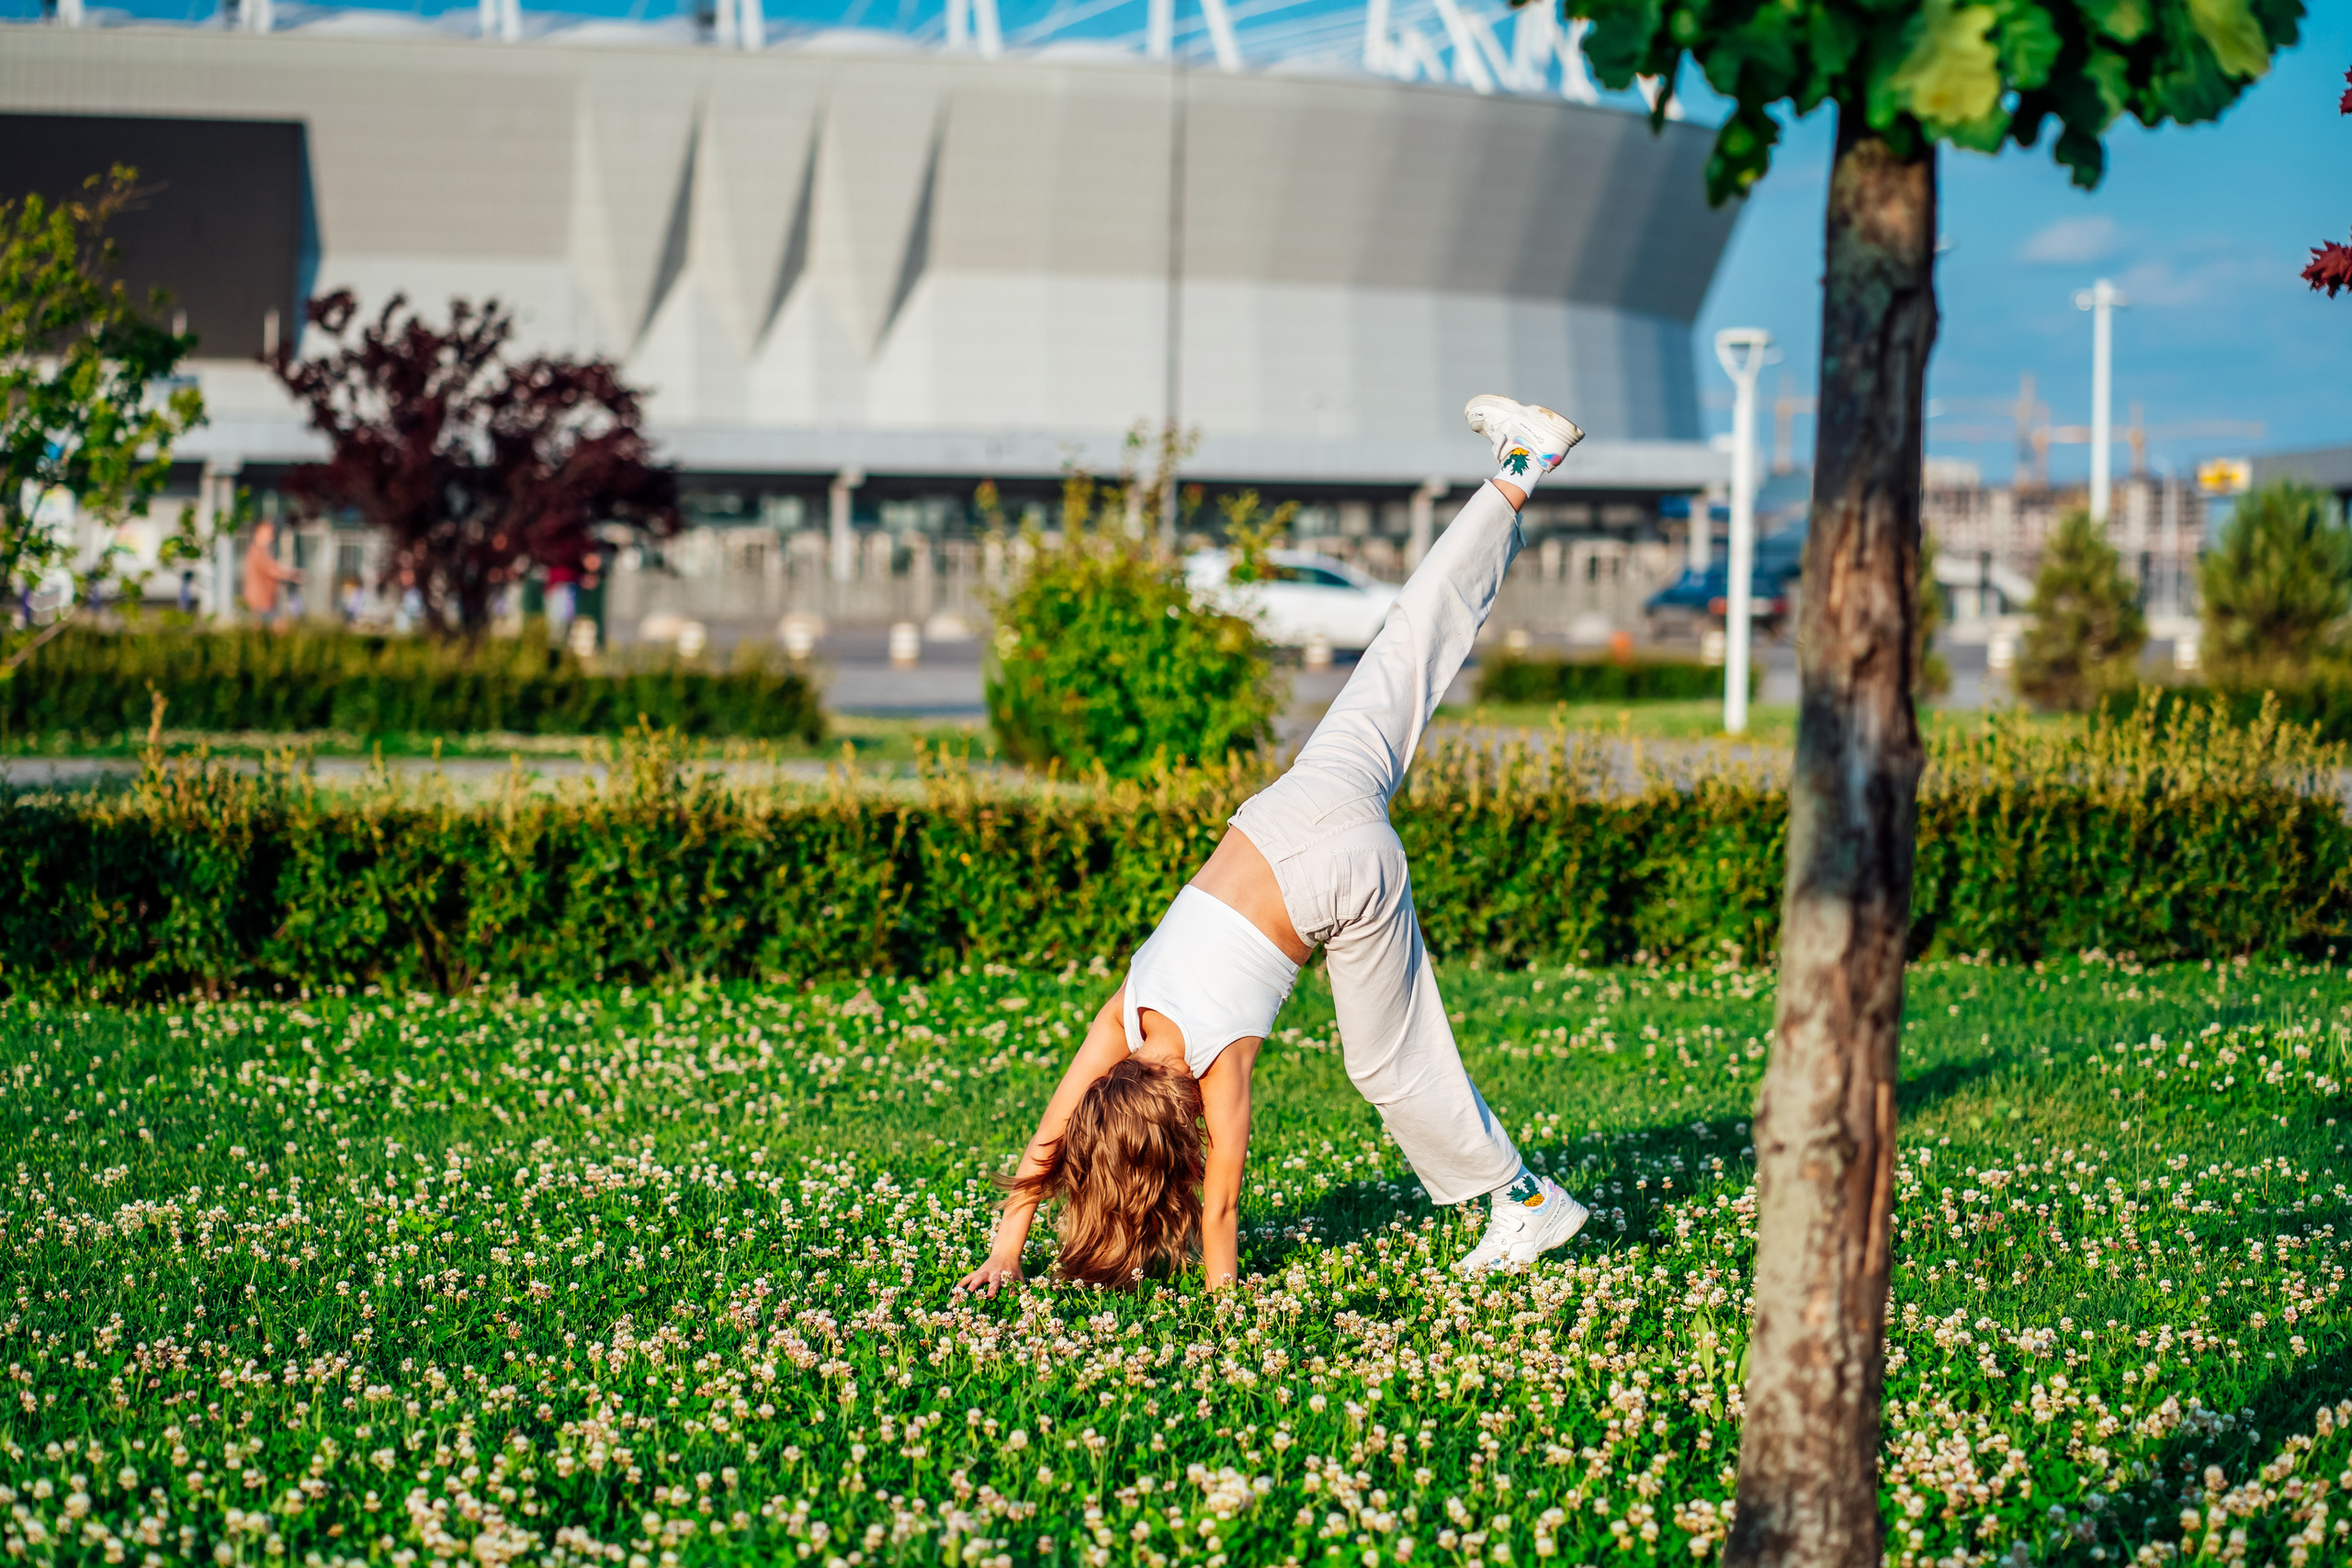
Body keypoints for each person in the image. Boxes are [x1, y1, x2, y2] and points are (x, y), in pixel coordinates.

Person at [956, 394, 1593, 1295]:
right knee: (1403, 647)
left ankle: (1525, 1200)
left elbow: (1219, 1209)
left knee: (1386, 1063)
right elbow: (1056, 1134)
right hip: (1293, 805)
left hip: (1340, 871)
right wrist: (1008, 1242)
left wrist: (1222, 1306)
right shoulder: (1125, 1015)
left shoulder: (1215, 1065)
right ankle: (1519, 470)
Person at [241, 519, 304, 627]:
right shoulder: (256, 552)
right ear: (258, 532)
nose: (271, 536)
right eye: (268, 532)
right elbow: (272, 571)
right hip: (259, 604)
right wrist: (293, 575)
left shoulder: (264, 552)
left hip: (267, 603)